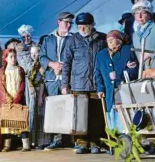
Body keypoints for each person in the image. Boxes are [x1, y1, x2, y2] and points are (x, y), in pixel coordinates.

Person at [61, 13, 107, 154]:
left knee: (96, 114)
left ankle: (95, 141)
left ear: (92, 25)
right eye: (80, 26)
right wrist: (64, 84)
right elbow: (66, 63)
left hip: (95, 83)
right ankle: (81, 142)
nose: (82, 28)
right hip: (78, 84)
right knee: (80, 115)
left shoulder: (102, 39)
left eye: (85, 26)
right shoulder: (72, 40)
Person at [39, 12, 75, 150]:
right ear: (58, 22)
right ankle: (57, 139)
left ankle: (72, 139)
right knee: (54, 109)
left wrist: (63, 67)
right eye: (66, 22)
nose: (69, 25)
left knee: (69, 108)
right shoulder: (49, 39)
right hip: (52, 79)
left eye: (71, 23)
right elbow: (42, 57)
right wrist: (53, 65)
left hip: (68, 78)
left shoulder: (74, 39)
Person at [95, 30, 138, 132]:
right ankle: (115, 143)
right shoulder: (101, 55)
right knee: (111, 120)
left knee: (124, 118)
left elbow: (134, 69)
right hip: (109, 93)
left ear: (120, 41)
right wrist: (100, 89)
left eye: (114, 40)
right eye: (109, 40)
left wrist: (119, 75)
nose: (111, 43)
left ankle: (126, 140)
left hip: (123, 91)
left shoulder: (128, 50)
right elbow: (97, 73)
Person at [0, 48, 30, 152]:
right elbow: (1, 85)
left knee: (21, 120)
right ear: (6, 58)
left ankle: (25, 143)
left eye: (15, 56)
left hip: (18, 98)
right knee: (8, 121)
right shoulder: (2, 70)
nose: (13, 59)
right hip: (7, 100)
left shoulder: (20, 69)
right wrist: (8, 97)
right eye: (10, 57)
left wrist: (18, 97)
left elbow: (22, 84)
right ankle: (7, 144)